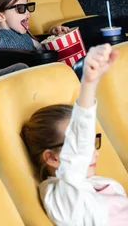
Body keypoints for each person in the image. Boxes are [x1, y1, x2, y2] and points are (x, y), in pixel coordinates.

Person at [21, 44, 127, 225]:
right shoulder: (64, 200)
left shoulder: (102, 183)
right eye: (84, 146)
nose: (93, 152)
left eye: (93, 144)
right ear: (52, 158)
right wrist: (89, 84)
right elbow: (77, 150)